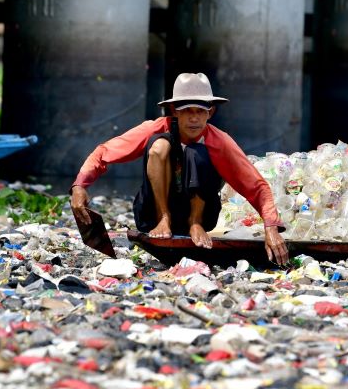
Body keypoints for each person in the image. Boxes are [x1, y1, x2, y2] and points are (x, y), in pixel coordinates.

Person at [70, 72, 289, 266]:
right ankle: (163, 218)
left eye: (200, 112)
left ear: (210, 113)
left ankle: (195, 223)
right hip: (151, 216)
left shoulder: (220, 142)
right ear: (175, 111)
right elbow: (104, 152)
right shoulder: (156, 128)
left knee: (197, 151)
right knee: (159, 146)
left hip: (201, 217)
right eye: (187, 111)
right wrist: (80, 185)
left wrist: (271, 227)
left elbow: (256, 185)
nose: (194, 118)